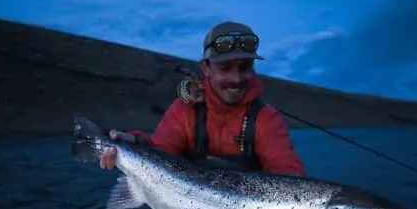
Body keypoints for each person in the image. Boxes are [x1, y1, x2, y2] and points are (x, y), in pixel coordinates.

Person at [99, 21, 306, 176]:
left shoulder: (266, 118)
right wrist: (133, 142)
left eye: (244, 68)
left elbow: (288, 173)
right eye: (225, 68)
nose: (236, 79)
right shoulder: (184, 110)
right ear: (206, 67)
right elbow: (160, 152)